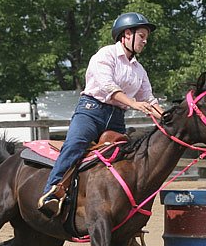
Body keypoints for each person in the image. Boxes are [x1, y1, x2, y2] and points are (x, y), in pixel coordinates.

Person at [37, 12, 164, 218]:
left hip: (116, 118)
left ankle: (127, 217)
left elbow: (149, 99)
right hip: (91, 112)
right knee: (75, 145)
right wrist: (133, 103)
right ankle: (52, 192)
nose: (145, 40)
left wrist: (166, 118)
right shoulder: (105, 55)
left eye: (145, 37)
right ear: (126, 34)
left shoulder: (139, 70)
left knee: (126, 161)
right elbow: (108, 87)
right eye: (141, 36)